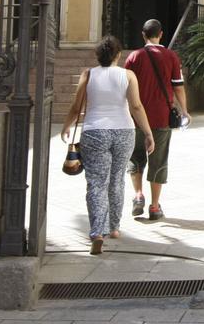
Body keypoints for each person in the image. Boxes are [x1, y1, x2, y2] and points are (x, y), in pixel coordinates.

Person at [60, 35, 155, 255]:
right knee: (117, 179)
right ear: (118, 55)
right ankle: (114, 228)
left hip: (94, 132)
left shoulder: (88, 74)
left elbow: (76, 107)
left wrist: (66, 126)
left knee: (96, 183)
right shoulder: (128, 75)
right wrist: (148, 133)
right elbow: (137, 106)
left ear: (98, 55)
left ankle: (96, 232)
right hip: (124, 131)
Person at [123, 18, 189, 220]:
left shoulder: (133, 57)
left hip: (136, 118)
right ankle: (154, 206)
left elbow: (125, 88)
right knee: (158, 160)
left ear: (143, 35)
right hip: (162, 117)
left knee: (135, 157)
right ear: (161, 34)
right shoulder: (171, 57)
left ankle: (138, 195)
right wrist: (185, 110)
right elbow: (178, 86)